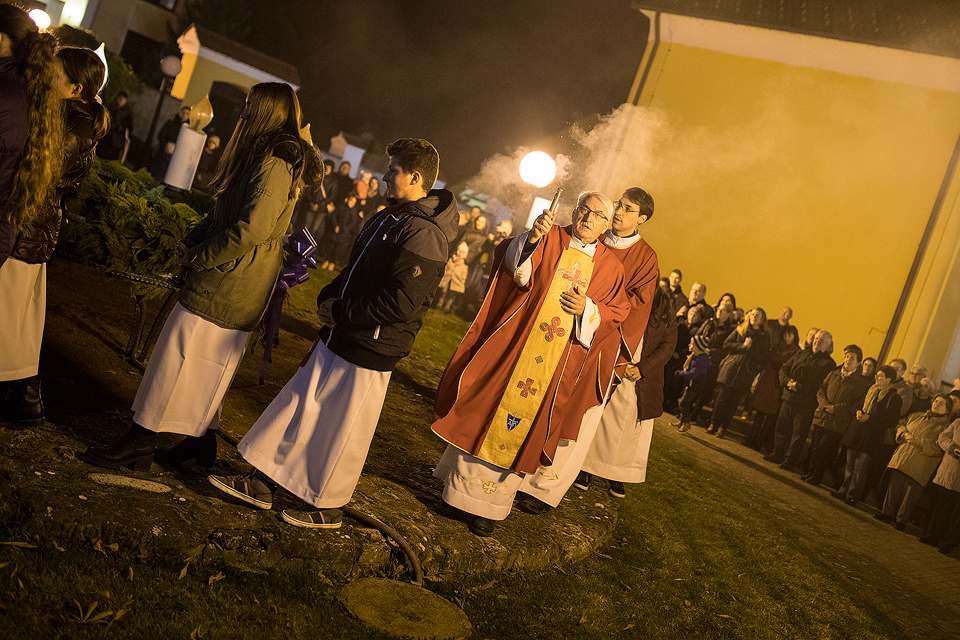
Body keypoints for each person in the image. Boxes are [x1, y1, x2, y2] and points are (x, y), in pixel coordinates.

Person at [208, 138, 457, 529]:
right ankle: (263, 481)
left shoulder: (424, 233)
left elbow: (401, 303)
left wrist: (342, 312)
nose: (385, 176)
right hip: (345, 331)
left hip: (371, 345)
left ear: (415, 177)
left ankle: (328, 503)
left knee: (344, 429)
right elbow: (355, 267)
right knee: (300, 404)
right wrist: (330, 296)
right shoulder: (391, 217)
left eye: (393, 170)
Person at [81, 83, 321, 470]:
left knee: (177, 355)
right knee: (207, 365)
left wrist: (199, 258)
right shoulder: (262, 155)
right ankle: (201, 442)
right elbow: (224, 212)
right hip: (232, 276)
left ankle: (141, 440)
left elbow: (252, 229)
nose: (242, 114)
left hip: (232, 279)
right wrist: (189, 242)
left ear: (266, 112)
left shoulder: (276, 163)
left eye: (249, 107)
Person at [431, 192, 630, 536]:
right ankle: (457, 493)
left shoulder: (611, 267)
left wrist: (588, 310)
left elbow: (617, 312)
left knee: (525, 427)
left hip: (556, 363)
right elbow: (516, 273)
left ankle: (489, 509)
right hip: (519, 344)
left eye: (598, 214)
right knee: (486, 410)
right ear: (576, 211)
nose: (588, 217)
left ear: (604, 224)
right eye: (584, 210)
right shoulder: (551, 235)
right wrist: (531, 238)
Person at [516, 187, 659, 510]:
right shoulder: (592, 235)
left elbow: (636, 308)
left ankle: (544, 489)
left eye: (628, 208)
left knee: (573, 418)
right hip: (556, 334)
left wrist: (594, 310)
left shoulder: (646, 258)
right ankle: (522, 472)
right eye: (619, 205)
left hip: (598, 347)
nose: (619, 212)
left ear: (642, 218)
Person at [1, 35, 99, 429]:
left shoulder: (71, 123)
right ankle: (25, 398)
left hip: (26, 226)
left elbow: (41, 172)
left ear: (75, 88)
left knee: (12, 316)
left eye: (54, 72)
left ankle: (26, 398)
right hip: (31, 226)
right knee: (17, 318)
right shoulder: (63, 114)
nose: (46, 74)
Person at [875, 395, 953, 530]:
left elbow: (939, 447)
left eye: (941, 403)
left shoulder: (945, 426)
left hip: (921, 463)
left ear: (947, 410)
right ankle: (886, 513)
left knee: (910, 494)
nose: (937, 404)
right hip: (903, 457)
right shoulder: (917, 415)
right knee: (894, 487)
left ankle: (901, 520)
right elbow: (901, 424)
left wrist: (919, 442)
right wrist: (904, 434)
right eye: (936, 401)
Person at [764, 329, 836, 470]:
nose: (817, 341)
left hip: (805, 404)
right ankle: (777, 453)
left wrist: (799, 386)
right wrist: (787, 381)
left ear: (828, 345)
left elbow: (820, 384)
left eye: (821, 340)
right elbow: (785, 367)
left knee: (798, 434)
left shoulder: (828, 364)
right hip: (789, 397)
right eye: (816, 338)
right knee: (782, 428)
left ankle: (789, 460)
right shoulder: (802, 353)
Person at [834, 365, 903, 506]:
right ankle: (843, 490)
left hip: (871, 437)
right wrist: (859, 411)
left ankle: (852, 495)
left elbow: (890, 420)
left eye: (880, 376)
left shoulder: (894, 398)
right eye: (876, 375)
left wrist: (870, 418)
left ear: (889, 379)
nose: (876, 378)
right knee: (849, 464)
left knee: (860, 467)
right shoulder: (871, 390)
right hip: (857, 432)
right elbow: (859, 404)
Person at [802, 344, 871, 486]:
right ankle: (810, 472)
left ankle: (817, 476)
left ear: (858, 363)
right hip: (823, 415)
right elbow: (821, 389)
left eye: (852, 358)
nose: (847, 360)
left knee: (823, 449)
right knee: (815, 447)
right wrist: (824, 404)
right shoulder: (834, 374)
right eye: (846, 357)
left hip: (838, 422)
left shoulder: (861, 383)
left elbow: (856, 403)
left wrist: (836, 408)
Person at [707, 308, 771, 438]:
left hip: (745, 374)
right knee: (721, 399)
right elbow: (726, 344)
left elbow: (764, 358)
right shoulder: (740, 329)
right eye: (753, 314)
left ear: (762, 319)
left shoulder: (764, 337)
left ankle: (722, 428)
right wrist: (742, 346)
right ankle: (713, 424)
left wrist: (751, 348)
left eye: (758, 315)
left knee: (733, 403)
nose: (754, 317)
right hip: (731, 369)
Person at [919, 417, 960, 553]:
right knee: (941, 507)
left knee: (956, 516)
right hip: (950, 471)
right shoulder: (958, 422)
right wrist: (952, 446)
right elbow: (942, 436)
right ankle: (933, 536)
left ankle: (946, 544)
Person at [674, 333, 711, 432]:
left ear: (698, 347)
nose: (689, 345)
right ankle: (682, 421)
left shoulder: (700, 360)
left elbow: (694, 373)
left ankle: (686, 423)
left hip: (694, 385)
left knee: (683, 403)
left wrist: (681, 373)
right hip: (690, 384)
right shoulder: (694, 356)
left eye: (691, 344)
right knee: (682, 401)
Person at [434, 241, 469, 313]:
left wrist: (462, 283)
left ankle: (447, 307)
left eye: (463, 252)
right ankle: (439, 304)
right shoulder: (451, 260)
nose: (460, 254)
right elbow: (446, 269)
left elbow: (464, 276)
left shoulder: (464, 266)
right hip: (447, 280)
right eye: (459, 251)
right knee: (444, 292)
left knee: (451, 296)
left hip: (456, 282)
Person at [98, 91, 132, 162]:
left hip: (116, 142)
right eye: (120, 98)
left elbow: (129, 128)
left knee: (110, 160)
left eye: (123, 99)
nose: (121, 100)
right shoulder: (110, 107)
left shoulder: (127, 114)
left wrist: (119, 128)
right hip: (105, 137)